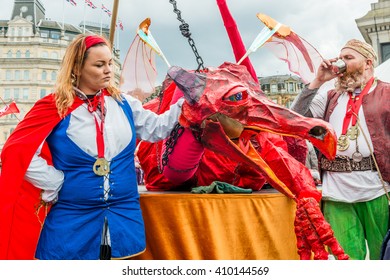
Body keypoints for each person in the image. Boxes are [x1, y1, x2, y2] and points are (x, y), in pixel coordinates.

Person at [0, 34, 184, 260]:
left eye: (109, 63)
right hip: (71, 220)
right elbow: (16, 151)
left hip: (123, 217)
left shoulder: (124, 104)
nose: (108, 70)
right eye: (99, 65)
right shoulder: (54, 107)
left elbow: (158, 128)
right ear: (77, 68)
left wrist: (187, 103)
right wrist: (55, 181)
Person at [291, 39, 389, 260]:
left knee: (382, 257)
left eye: (348, 58)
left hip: (377, 190)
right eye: (340, 57)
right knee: (346, 261)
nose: (341, 63)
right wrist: (317, 80)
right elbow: (295, 118)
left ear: (368, 62)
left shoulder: (386, 93)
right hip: (336, 193)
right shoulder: (329, 96)